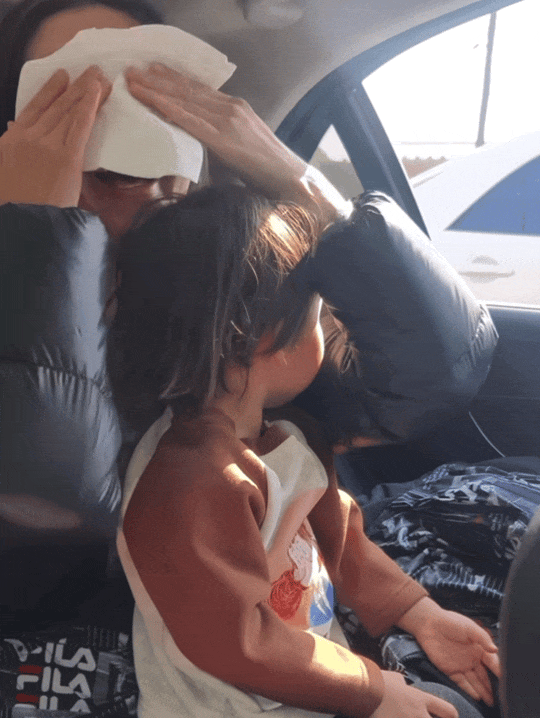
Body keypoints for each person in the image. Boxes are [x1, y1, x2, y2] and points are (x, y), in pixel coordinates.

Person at [112, 184, 500, 718]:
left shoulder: (285, 435)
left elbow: (338, 537)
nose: (327, 332)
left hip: (312, 676)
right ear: (256, 339)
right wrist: (372, 690)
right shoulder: (188, 484)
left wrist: (419, 614)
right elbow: (237, 644)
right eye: (317, 319)